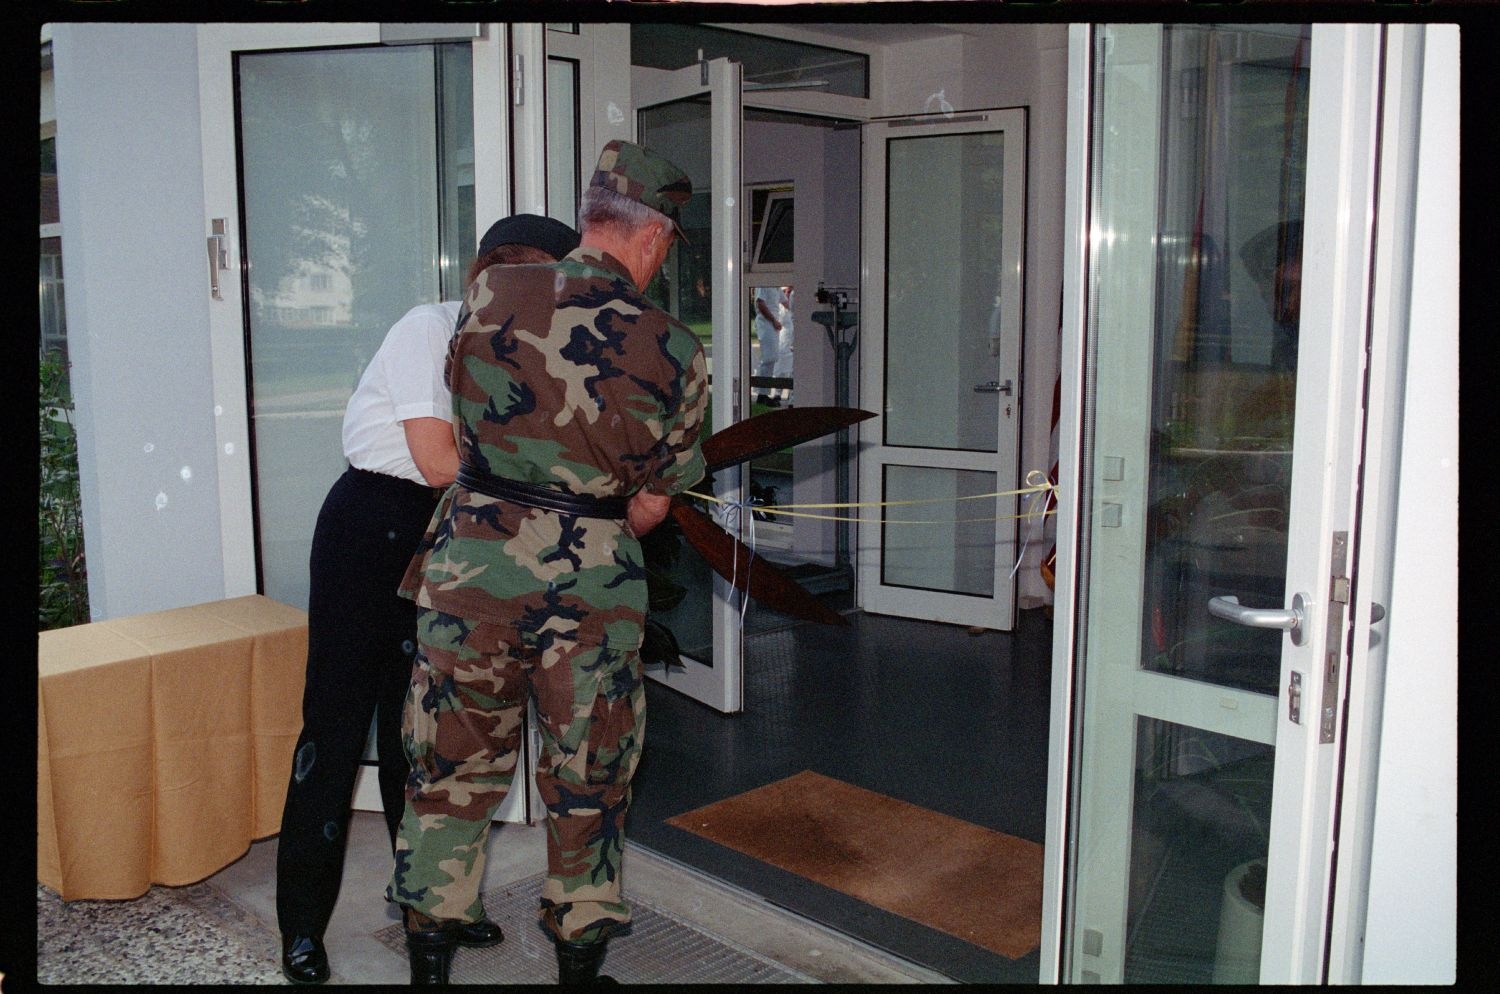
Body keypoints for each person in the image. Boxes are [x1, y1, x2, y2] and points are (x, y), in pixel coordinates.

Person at [385, 140, 708, 987]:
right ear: (657, 237)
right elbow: (652, 503)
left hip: (470, 574)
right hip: (590, 591)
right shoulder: (671, 346)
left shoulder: (489, 294)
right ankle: (577, 968)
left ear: (593, 216)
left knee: (450, 772)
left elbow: (460, 431)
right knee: (588, 779)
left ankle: (428, 967)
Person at [276, 214, 583, 986]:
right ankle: (302, 928)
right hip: (373, 525)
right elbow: (437, 459)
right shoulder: (430, 326)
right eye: (549, 284)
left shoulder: (526, 351)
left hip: (451, 535)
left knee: (425, 737)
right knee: (336, 732)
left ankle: (425, 905)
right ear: (499, 277)